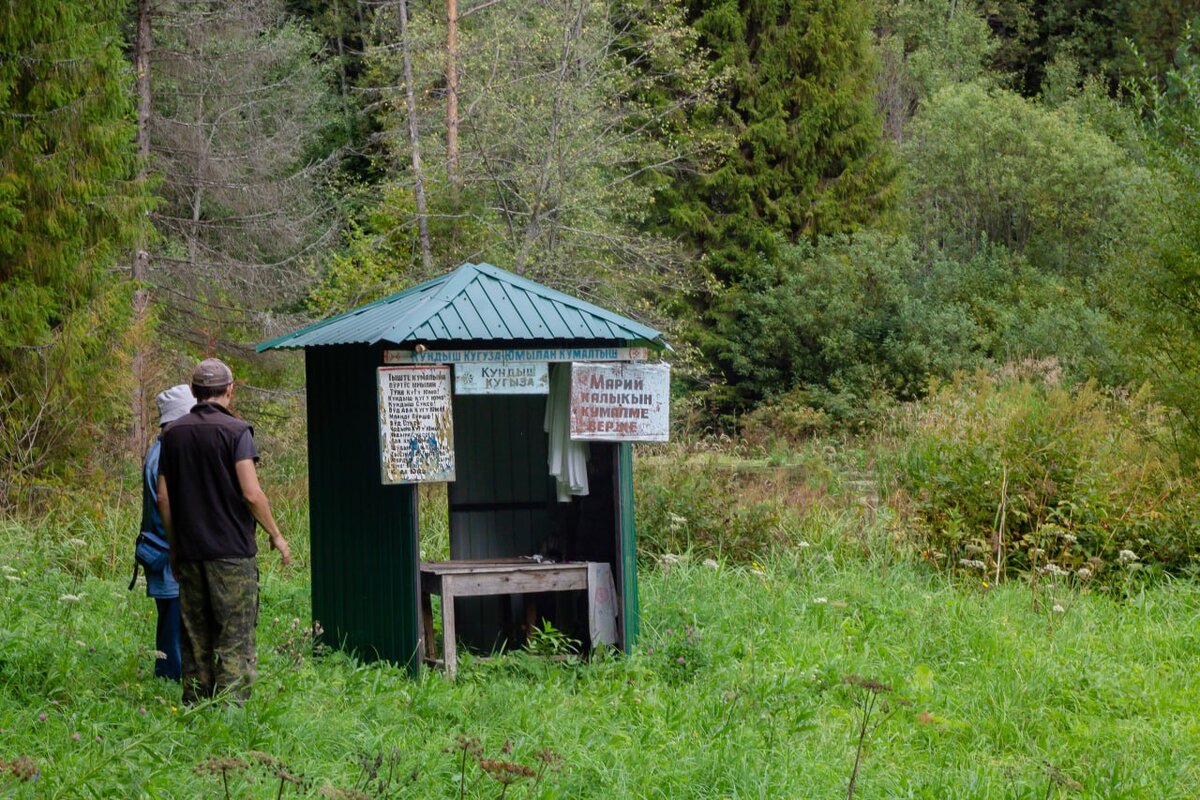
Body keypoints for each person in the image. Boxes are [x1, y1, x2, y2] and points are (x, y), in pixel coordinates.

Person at [156, 358, 291, 704]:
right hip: (232, 553)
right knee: (235, 638)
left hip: (190, 552)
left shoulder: (172, 435)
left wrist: (174, 547)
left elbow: (164, 497)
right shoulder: (237, 432)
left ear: (195, 392)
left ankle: (197, 706)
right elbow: (251, 492)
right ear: (230, 390)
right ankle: (230, 714)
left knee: (195, 637)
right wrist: (275, 534)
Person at [132, 384, 195, 681]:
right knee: (173, 621)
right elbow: (173, 505)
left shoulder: (161, 450)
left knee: (175, 619)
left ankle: (172, 678)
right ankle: (169, 682)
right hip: (168, 553)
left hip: (164, 551)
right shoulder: (165, 455)